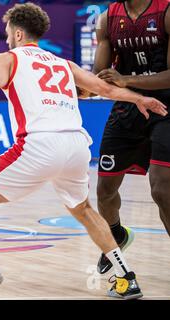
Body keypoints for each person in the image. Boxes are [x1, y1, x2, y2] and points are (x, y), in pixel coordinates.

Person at [0, 3, 167, 299]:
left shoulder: (7, 59)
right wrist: (139, 99)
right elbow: (104, 89)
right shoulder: (64, 64)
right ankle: (126, 277)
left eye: (8, 32)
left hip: (39, 144)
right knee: (84, 210)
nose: (6, 38)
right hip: (76, 146)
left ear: (18, 33)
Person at [83, 0, 170, 276]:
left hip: (165, 107)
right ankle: (116, 235)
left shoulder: (166, 11)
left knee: (161, 189)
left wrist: (125, 81)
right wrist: (77, 84)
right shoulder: (107, 19)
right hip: (127, 108)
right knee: (104, 191)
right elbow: (102, 75)